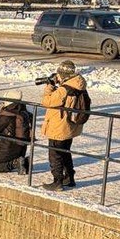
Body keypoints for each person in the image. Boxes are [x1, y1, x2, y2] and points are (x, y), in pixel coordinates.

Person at [40, 59, 89, 190]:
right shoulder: (79, 85)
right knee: (65, 152)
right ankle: (69, 178)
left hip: (59, 126)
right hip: (70, 126)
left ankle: (57, 182)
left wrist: (49, 86)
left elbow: (46, 101)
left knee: (55, 154)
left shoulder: (64, 89)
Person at [0, 93, 32, 173]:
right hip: (21, 148)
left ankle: (15, 163)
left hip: (7, 148)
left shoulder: (6, 115)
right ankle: (24, 162)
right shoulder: (24, 112)